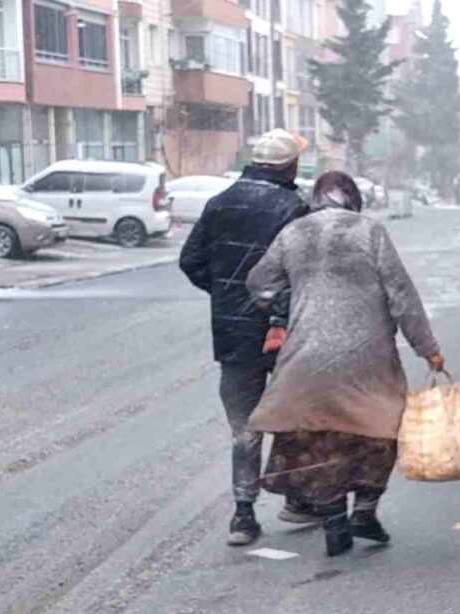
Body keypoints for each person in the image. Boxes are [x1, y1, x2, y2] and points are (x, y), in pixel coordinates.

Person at [246, 171, 445, 557]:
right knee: (379, 431)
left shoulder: (293, 233)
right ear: (354, 199)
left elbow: (259, 282)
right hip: (367, 357)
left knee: (321, 439)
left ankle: (335, 520)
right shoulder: (370, 233)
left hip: (307, 355)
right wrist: (427, 348)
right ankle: (365, 511)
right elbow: (400, 295)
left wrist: (288, 303)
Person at [179, 129, 312, 546]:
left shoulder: (218, 204)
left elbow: (191, 261)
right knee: (294, 417)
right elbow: (301, 274)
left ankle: (243, 514)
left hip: (233, 333)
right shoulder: (293, 208)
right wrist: (280, 311)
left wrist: (225, 292)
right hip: (284, 333)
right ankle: (297, 498)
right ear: (290, 166)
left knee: (244, 427)